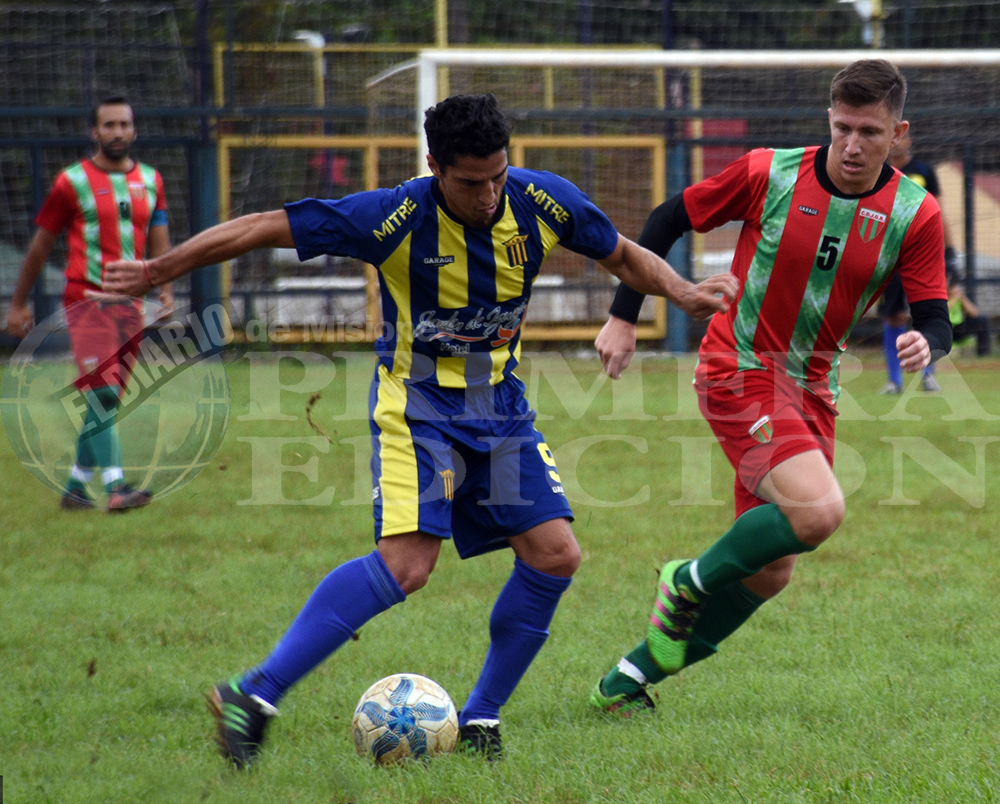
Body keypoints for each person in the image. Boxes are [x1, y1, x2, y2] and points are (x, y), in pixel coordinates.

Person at [100, 93, 739, 767]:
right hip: (418, 407)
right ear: (435, 166)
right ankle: (253, 693)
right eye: (471, 182)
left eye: (498, 175)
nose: (490, 194)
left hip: (501, 406)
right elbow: (262, 226)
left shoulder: (543, 201)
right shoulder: (391, 215)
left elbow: (625, 255)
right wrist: (157, 270)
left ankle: (482, 718)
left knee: (555, 555)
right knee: (408, 565)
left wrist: (685, 292)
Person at [589, 59, 952, 716]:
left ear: (898, 132)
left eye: (869, 132)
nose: (851, 145)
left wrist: (933, 340)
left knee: (771, 568)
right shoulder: (768, 172)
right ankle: (684, 582)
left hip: (814, 389)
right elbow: (668, 218)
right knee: (819, 512)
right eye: (841, 127)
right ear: (828, 120)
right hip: (739, 368)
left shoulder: (915, 213)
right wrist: (622, 316)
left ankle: (627, 680)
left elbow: (932, 308)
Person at [5, 94, 174, 512]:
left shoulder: (151, 180)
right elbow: (42, 244)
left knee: (107, 399)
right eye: (109, 125)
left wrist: (166, 289)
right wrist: (19, 302)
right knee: (99, 394)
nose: (117, 132)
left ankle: (76, 489)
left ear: (134, 130)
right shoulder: (71, 182)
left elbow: (159, 234)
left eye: (124, 124)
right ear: (93, 132)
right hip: (88, 301)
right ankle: (116, 488)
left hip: (130, 306)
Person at [878, 128, 957, 393]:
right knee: (894, 316)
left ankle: (928, 375)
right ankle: (894, 381)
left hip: (920, 253)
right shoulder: (876, 173)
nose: (898, 143)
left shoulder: (924, 172)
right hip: (889, 256)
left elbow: (939, 212)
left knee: (925, 314)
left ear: (909, 139)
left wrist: (950, 253)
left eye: (903, 137)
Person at [946, 266, 992, 356]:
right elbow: (942, 312)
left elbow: (974, 313)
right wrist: (953, 299)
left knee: (982, 321)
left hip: (957, 328)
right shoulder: (939, 296)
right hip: (944, 328)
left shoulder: (958, 295)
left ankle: (983, 354)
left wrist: (961, 297)